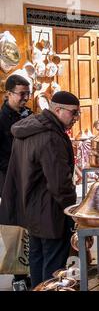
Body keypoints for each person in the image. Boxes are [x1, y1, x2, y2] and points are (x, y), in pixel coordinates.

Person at [0, 91, 80, 288]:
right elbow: (59, 184)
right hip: (51, 212)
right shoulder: (50, 136)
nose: (76, 118)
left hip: (32, 209)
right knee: (53, 268)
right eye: (74, 113)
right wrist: (72, 211)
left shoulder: (30, 127)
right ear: (58, 110)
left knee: (37, 260)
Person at [0, 74, 33, 290]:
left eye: (28, 94)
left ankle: (30, 270)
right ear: (8, 94)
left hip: (29, 178)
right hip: (10, 180)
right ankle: (18, 277)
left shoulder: (28, 114)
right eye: (21, 94)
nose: (25, 99)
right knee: (16, 226)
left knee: (30, 226)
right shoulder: (1, 120)